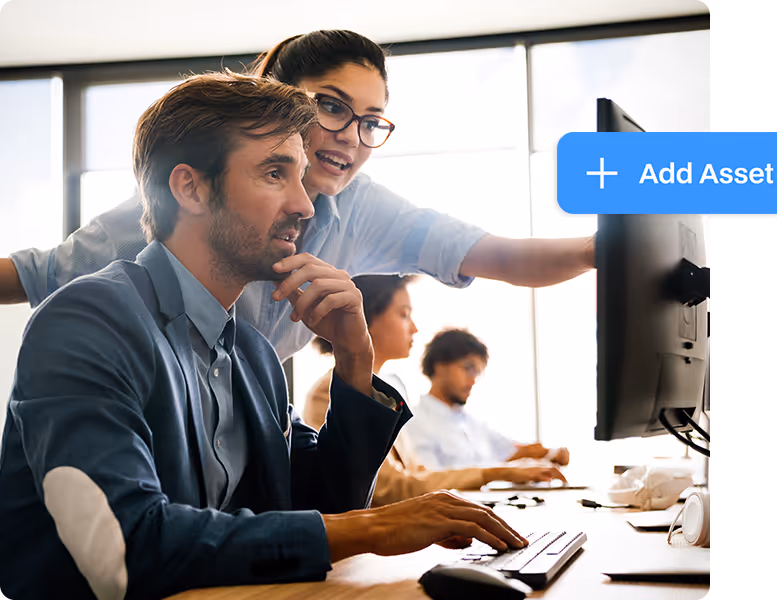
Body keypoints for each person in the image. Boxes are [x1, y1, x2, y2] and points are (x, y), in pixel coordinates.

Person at [0, 72, 530, 600]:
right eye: (276, 173)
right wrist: (378, 527)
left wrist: (354, 361)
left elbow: (319, 509)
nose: (305, 205)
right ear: (190, 187)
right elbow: (123, 546)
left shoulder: (251, 352)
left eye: (301, 177)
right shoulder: (88, 321)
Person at [0, 29, 595, 363]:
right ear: (276, 103)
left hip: (245, 445)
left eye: (371, 120)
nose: (349, 137)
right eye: (331, 106)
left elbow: (499, 256)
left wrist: (607, 249)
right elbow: (37, 275)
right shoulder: (181, 204)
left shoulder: (358, 208)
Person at [304, 274, 566, 507]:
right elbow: (391, 489)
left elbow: (415, 475)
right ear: (364, 320)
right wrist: (498, 473)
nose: (415, 328)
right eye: (404, 314)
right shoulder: (331, 392)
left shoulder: (383, 391)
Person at [405, 328, 570, 470]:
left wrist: (547, 453)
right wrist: (503, 469)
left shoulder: (472, 424)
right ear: (439, 366)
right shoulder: (415, 423)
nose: (472, 380)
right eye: (468, 369)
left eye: (477, 373)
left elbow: (512, 450)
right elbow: (428, 482)